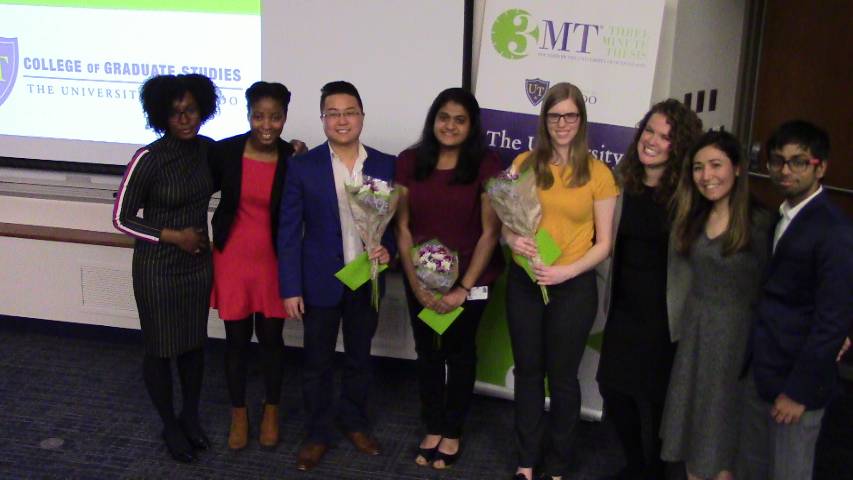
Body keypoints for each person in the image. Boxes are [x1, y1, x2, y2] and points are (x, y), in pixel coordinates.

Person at [503, 82, 619, 480]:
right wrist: (511, 239)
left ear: (581, 120)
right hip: (525, 283)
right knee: (528, 373)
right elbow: (508, 227)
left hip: (572, 286)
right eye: (555, 116)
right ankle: (527, 460)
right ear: (545, 119)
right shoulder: (523, 164)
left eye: (570, 115)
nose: (562, 123)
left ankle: (558, 463)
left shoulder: (599, 174)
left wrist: (565, 271)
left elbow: (604, 244)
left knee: (563, 379)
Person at [277, 80, 395, 471]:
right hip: (319, 281)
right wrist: (290, 287)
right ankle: (317, 433)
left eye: (350, 112)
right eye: (333, 113)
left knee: (360, 357)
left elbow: (395, 222)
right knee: (317, 362)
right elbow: (289, 231)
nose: (342, 120)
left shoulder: (384, 163)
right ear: (323, 119)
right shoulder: (302, 167)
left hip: (366, 279)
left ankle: (355, 421)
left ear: (362, 116)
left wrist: (387, 248)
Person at [394, 88, 504, 469]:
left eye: (460, 119)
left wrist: (462, 289)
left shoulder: (487, 165)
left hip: (472, 281)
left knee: (460, 354)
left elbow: (490, 233)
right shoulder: (410, 161)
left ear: (471, 125)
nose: (450, 126)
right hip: (419, 278)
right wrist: (416, 283)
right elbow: (403, 227)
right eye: (444, 117)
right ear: (433, 119)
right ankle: (433, 425)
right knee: (427, 354)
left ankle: (453, 431)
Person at [737, 120, 853, 480]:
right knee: (752, 468)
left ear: (821, 167)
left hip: (796, 385)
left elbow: (833, 320)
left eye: (798, 161)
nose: (785, 171)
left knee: (788, 472)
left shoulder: (833, 230)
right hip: (762, 369)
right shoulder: (781, 215)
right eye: (778, 161)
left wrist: (799, 392)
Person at [112, 74, 219, 463]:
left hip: (197, 267)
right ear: (161, 116)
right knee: (160, 349)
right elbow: (122, 219)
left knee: (193, 345)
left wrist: (290, 149)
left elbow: (247, 168)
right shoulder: (148, 158)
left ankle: (189, 416)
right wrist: (175, 236)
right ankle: (169, 424)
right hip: (158, 267)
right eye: (175, 114)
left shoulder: (208, 151)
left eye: (191, 110)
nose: (185, 119)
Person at [596, 99, 702, 479]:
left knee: (657, 403)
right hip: (623, 310)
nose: (652, 141)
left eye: (666, 137)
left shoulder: (689, 196)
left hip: (665, 317)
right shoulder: (620, 181)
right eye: (649, 131)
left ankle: (655, 470)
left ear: (680, 147)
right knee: (613, 389)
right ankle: (636, 465)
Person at [660, 130, 773, 480]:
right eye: (698, 168)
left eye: (715, 165)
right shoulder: (693, 216)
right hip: (695, 334)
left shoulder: (761, 222)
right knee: (693, 434)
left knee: (723, 435)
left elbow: (778, 287)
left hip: (736, 340)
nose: (706, 176)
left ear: (737, 168)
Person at [208, 81, 295, 451]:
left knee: (273, 341)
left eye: (275, 117)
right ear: (248, 114)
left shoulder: (292, 157)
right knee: (237, 342)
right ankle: (239, 413)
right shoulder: (226, 152)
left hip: (274, 260)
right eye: (259, 115)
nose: (266, 124)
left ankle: (271, 411)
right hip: (233, 258)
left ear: (285, 118)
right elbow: (194, 190)